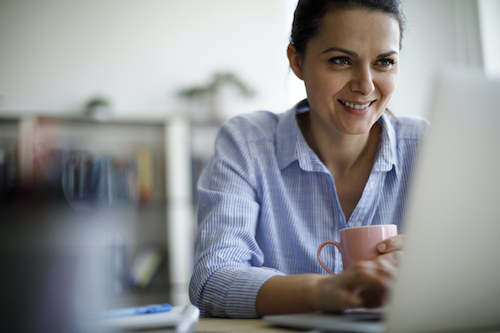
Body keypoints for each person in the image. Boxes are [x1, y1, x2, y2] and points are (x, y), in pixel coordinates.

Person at [189, 0, 428, 318]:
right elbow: (212, 280)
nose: (366, 85)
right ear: (297, 61)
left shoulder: (426, 146)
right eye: (341, 60)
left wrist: (431, 269)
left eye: (384, 62)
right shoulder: (247, 142)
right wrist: (322, 292)